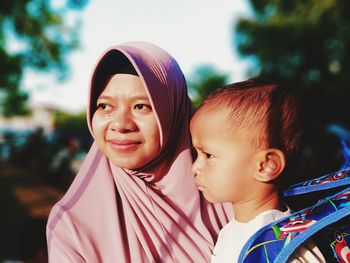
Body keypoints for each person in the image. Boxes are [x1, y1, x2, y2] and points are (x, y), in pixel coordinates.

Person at [46, 41, 231, 262]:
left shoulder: (235, 194)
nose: (120, 124)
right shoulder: (73, 225)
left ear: (173, 111)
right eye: (105, 106)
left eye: (141, 106)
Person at [190, 80, 326, 262]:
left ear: (266, 165)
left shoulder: (281, 245)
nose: (195, 167)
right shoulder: (233, 231)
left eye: (208, 155)